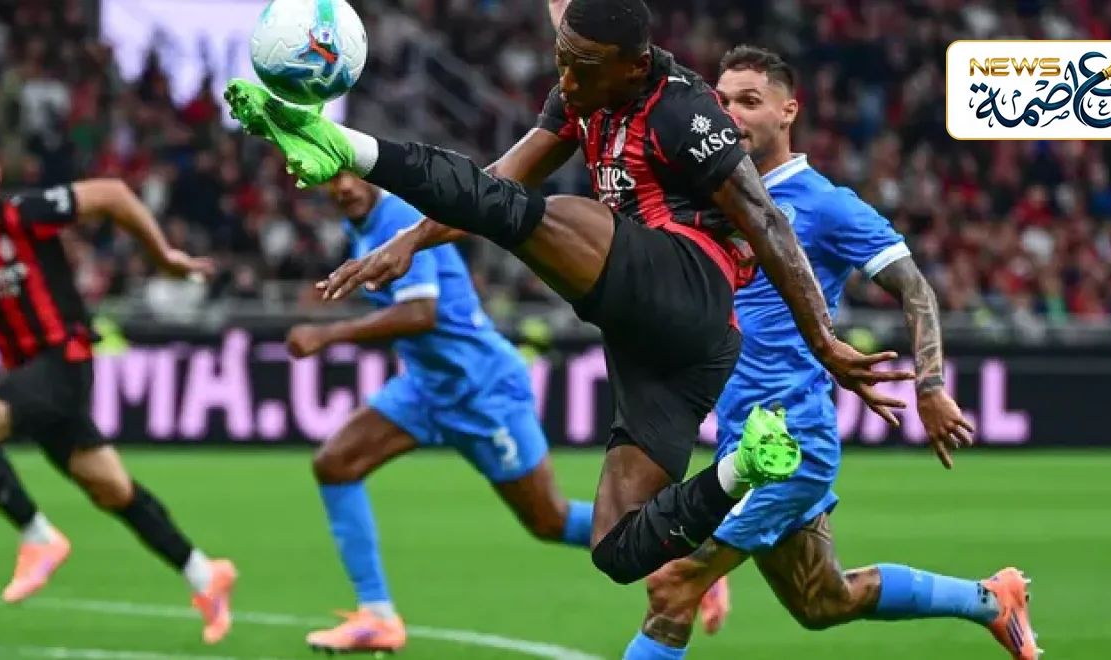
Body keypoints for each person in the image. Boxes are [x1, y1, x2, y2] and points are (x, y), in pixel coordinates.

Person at [225, 0, 915, 586]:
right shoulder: (585, 83)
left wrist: (824, 341)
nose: (564, 79)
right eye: (561, 60)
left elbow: (767, 221)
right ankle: (743, 469)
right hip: (676, 351)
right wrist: (411, 240)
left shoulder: (682, 110)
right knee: (617, 550)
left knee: (542, 215)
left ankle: (339, 142)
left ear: (633, 67)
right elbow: (495, 180)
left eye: (580, 67)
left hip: (688, 283)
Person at [619, 46, 1037, 660]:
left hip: (788, 444)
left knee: (670, 584)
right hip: (742, 437)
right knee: (822, 600)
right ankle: (990, 600)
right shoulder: (713, 196)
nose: (731, 114)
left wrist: (929, 385)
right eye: (723, 101)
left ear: (788, 112)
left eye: (750, 102)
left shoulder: (824, 204)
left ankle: (701, 571)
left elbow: (916, 289)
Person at [0, 135, 237, 646]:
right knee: (112, 490)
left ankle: (38, 538)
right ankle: (205, 575)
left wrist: (162, 255)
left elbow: (113, 194)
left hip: (63, 361)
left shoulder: (25, 212)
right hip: (27, 374)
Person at [293, 171, 595, 654]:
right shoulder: (362, 224)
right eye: (332, 179)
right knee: (335, 463)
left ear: (370, 174)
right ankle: (377, 616)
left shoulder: (397, 217)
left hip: (481, 390)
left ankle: (668, 547)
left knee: (549, 521)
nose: (344, 187)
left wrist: (328, 334)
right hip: (427, 388)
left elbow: (421, 313)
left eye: (351, 174)